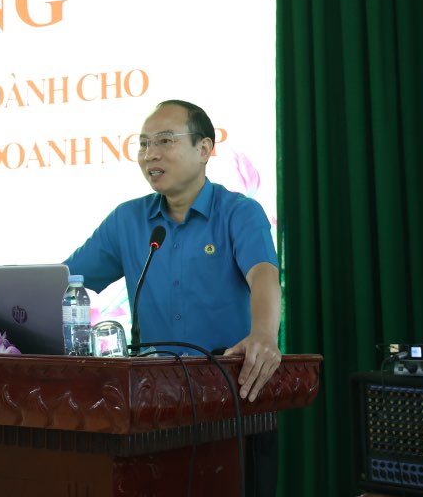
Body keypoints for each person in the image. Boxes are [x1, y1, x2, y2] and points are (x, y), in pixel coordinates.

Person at [62, 99, 282, 497]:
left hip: (233, 400)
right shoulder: (128, 220)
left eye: (164, 140)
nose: (151, 155)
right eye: (143, 144)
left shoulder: (239, 213)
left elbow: (264, 276)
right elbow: (67, 283)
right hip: (151, 408)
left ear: (204, 149)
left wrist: (264, 335)